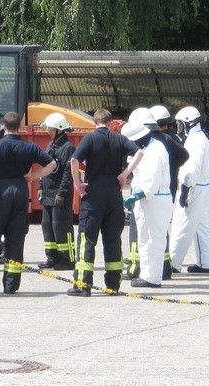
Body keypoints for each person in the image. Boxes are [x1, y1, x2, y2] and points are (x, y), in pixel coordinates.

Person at [0, 112, 57, 294]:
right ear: (20, 127)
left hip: (0, 189)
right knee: (16, 239)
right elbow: (52, 165)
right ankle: (11, 285)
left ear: (4, 127)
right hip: (21, 190)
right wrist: (33, 176)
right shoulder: (30, 147)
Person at [68, 108, 142, 296]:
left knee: (87, 239)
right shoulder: (119, 139)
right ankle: (113, 285)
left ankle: (83, 285)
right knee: (112, 239)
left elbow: (74, 160)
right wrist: (125, 174)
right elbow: (140, 152)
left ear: (95, 122)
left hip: (94, 193)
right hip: (114, 193)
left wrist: (77, 184)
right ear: (110, 123)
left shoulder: (90, 138)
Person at [122, 121, 172, 289]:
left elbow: (151, 181)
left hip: (154, 201)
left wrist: (133, 197)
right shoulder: (150, 148)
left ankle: (151, 278)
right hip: (150, 201)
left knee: (152, 239)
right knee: (146, 238)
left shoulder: (154, 152)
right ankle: (147, 275)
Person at [169, 106, 209, 273]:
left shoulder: (194, 142)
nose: (179, 129)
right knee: (203, 226)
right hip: (207, 187)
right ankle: (205, 263)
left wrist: (184, 187)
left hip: (194, 188)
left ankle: (173, 263)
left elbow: (191, 169)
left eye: (180, 125)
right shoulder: (203, 138)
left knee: (182, 225)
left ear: (187, 123)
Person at [150, 104, 188, 280]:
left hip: (159, 187)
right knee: (163, 224)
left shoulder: (161, 139)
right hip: (170, 185)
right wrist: (173, 167)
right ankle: (165, 264)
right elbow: (184, 156)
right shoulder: (174, 138)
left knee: (156, 226)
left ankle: (161, 266)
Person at [37, 112, 75, 271]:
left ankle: (67, 259)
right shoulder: (51, 144)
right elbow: (44, 167)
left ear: (60, 129)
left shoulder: (67, 147)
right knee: (47, 226)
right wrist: (40, 187)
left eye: (51, 129)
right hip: (47, 192)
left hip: (60, 193)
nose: (48, 132)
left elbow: (68, 173)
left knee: (61, 227)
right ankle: (51, 257)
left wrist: (62, 193)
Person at [123, 106, 156, 279]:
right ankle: (150, 267)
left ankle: (138, 268)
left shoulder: (152, 149)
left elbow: (151, 178)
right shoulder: (157, 144)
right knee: (151, 235)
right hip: (152, 196)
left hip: (147, 196)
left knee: (141, 234)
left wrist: (136, 196)